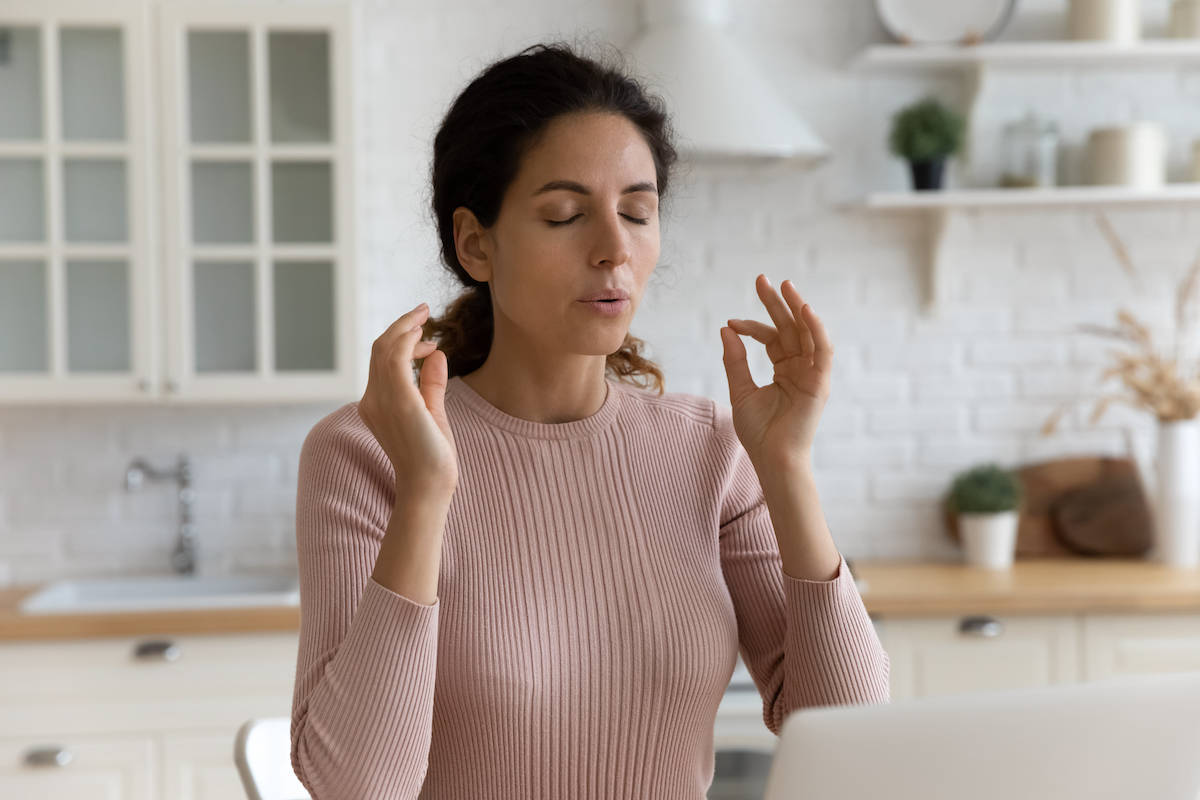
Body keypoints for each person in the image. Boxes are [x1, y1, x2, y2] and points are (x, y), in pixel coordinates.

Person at [289, 40, 889, 800]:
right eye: (566, 215)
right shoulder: (367, 454)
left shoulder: (707, 448)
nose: (615, 250)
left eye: (638, 212)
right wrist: (427, 493)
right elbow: (356, 787)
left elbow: (851, 736)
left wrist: (789, 471)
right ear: (476, 243)